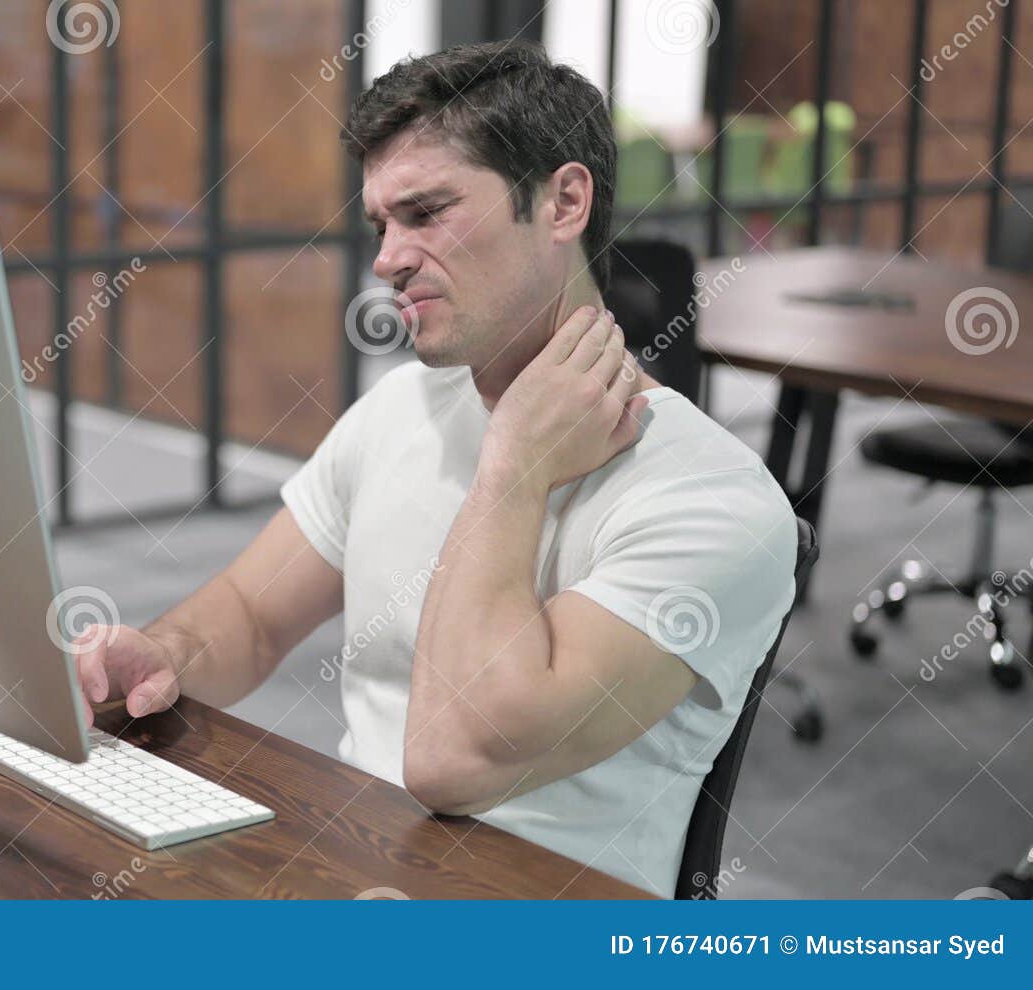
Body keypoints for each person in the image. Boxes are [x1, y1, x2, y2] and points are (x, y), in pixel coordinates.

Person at [73, 40, 796, 897]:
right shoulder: (398, 412)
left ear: (564, 202)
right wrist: (164, 652)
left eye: (426, 213)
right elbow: (250, 616)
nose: (386, 258)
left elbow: (455, 760)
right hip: (350, 873)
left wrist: (514, 469)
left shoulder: (715, 499)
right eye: (382, 223)